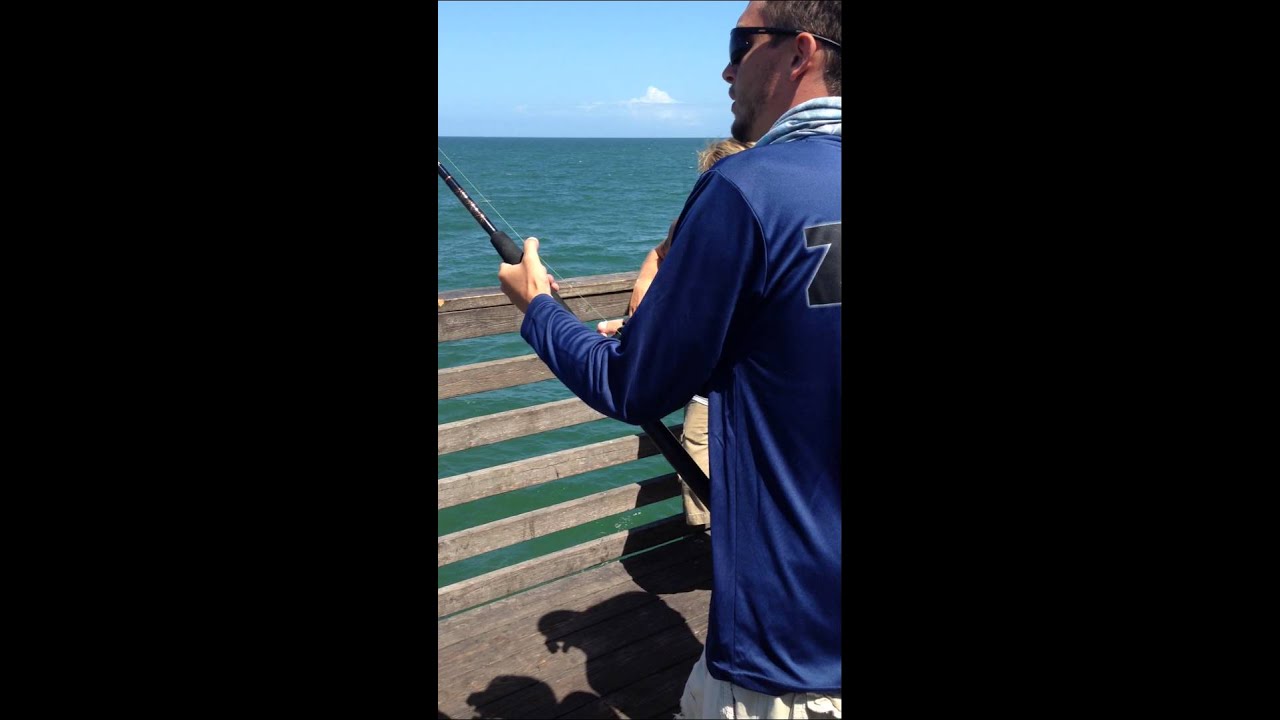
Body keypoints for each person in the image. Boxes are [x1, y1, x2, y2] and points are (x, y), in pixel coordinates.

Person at [498, 1, 841, 717]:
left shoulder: (749, 189)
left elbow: (631, 383)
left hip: (786, 654)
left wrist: (539, 309)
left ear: (799, 53)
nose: (725, 68)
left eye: (740, 44)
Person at [597, 137, 754, 530]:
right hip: (711, 380)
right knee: (700, 446)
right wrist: (642, 298)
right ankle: (714, 541)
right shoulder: (692, 222)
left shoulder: (754, 218)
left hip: (749, 375)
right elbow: (660, 252)